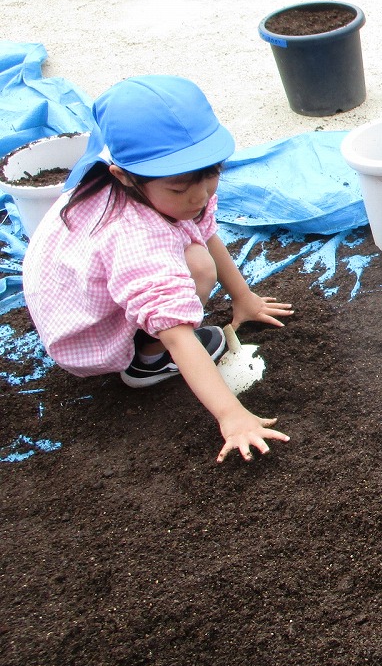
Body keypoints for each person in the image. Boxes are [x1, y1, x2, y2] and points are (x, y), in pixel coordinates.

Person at [22, 76, 293, 463]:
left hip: (89, 294)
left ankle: (145, 341)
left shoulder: (150, 180)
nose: (200, 196)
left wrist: (244, 298)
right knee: (197, 268)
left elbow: (203, 227)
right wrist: (232, 415)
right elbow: (179, 334)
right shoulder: (133, 236)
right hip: (89, 336)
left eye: (210, 175)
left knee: (197, 251)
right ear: (124, 175)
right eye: (180, 189)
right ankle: (145, 360)